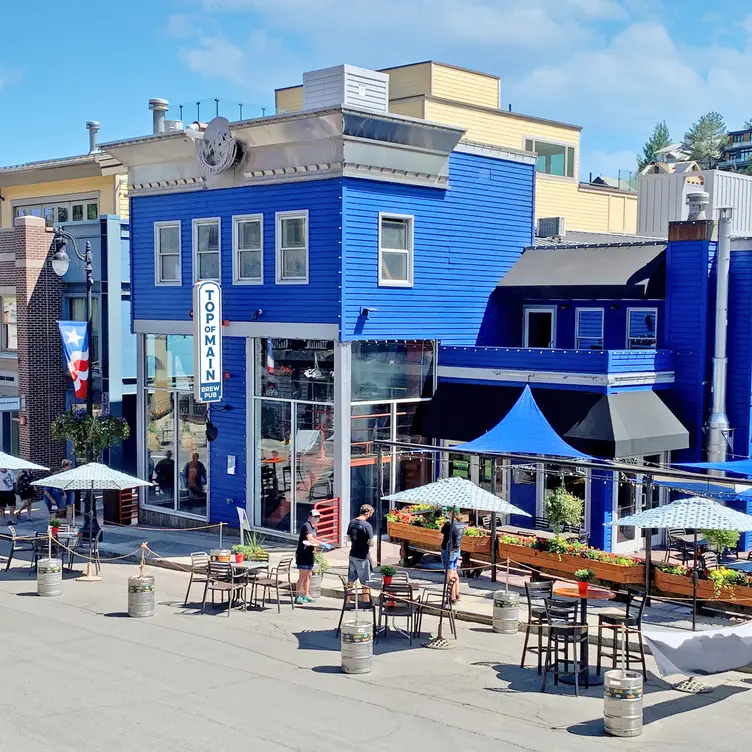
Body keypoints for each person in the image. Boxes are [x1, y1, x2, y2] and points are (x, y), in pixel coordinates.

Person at [295, 509, 331, 604]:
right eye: (315, 517)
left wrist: (315, 550)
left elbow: (314, 539)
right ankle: (297, 595)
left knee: (308, 575)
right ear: (310, 517)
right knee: (302, 575)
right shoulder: (306, 526)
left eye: (318, 517)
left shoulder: (315, 527)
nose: (317, 519)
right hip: (303, 553)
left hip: (310, 553)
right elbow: (309, 538)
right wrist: (322, 543)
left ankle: (306, 594)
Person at [347, 504, 375, 602]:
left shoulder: (352, 522)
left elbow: (349, 538)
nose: (370, 516)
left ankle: (347, 601)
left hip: (352, 554)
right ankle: (366, 602)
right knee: (365, 582)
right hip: (362, 556)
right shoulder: (367, 526)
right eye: (370, 514)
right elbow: (371, 543)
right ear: (367, 513)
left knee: (350, 580)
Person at [441, 507, 465, 603]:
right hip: (456, 549)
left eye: (448, 511)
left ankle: (452, 597)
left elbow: (441, 535)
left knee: (449, 573)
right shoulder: (461, 524)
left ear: (451, 512)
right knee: (454, 571)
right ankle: (457, 593)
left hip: (448, 550)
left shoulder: (448, 524)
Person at [43, 459, 75, 525]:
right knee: (54, 511)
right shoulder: (57, 475)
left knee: (69, 507)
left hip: (68, 491)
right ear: (66, 466)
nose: (71, 467)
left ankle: (69, 524)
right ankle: (52, 527)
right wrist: (52, 499)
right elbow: (47, 491)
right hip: (56, 494)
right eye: (70, 465)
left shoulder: (71, 473)